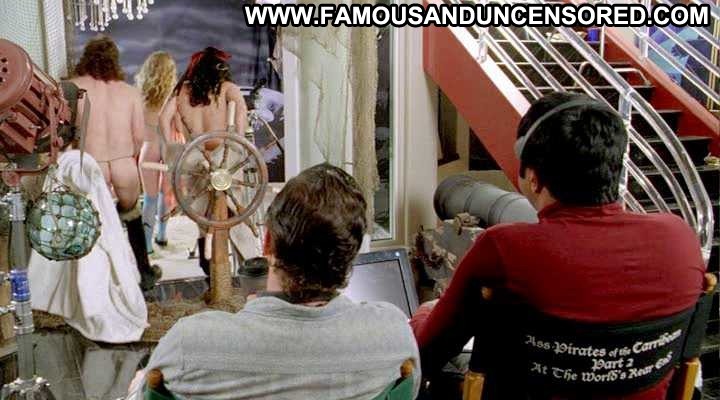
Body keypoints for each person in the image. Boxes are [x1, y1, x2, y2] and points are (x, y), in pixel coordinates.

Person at [410, 92, 706, 399]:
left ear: (534, 178)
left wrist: (424, 313)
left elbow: (426, 354)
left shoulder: (502, 247)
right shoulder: (680, 238)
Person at [126, 163, 420, 399]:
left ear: (267, 241)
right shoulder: (393, 334)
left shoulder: (190, 344)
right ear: (350, 254)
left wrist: (138, 385)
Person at [29, 149, 148, 343]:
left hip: (90, 164)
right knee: (119, 222)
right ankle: (145, 270)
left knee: (88, 243)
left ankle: (93, 304)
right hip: (117, 162)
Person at [71, 35, 161, 291]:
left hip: (90, 163)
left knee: (93, 225)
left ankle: (99, 284)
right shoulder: (129, 92)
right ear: (115, 60)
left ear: (86, 58)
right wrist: (124, 154)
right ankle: (144, 273)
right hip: (123, 165)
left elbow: (67, 131)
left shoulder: (74, 87)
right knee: (132, 217)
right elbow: (139, 137)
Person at [159, 46, 248, 279]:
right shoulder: (228, 88)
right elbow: (241, 112)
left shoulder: (182, 91)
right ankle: (238, 265)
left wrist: (172, 148)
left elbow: (164, 118)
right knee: (234, 209)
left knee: (202, 215)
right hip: (224, 157)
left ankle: (208, 268)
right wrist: (239, 143)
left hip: (195, 157)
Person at [136, 51, 177, 253]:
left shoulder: (140, 95)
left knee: (149, 198)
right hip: (169, 147)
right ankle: (162, 235)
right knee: (164, 195)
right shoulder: (174, 97)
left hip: (148, 147)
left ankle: (146, 245)